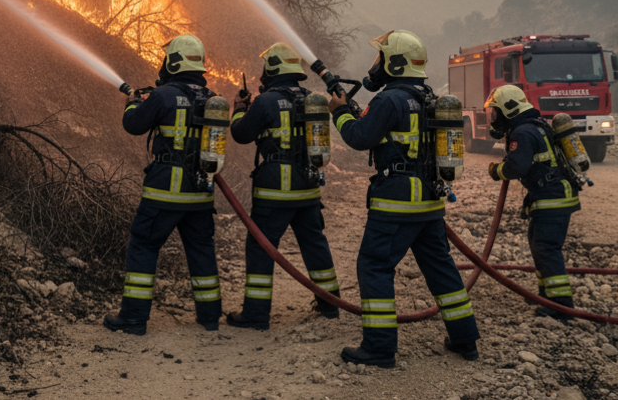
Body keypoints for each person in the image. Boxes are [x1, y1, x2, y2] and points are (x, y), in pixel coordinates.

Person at [328, 30, 480, 368]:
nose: (375, 64)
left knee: (374, 265)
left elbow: (359, 137)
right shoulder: (426, 97)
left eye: (380, 57)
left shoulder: (389, 99)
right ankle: (465, 339)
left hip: (396, 201)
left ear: (394, 63)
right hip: (428, 201)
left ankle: (380, 348)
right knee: (441, 269)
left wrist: (339, 112)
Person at [103, 35, 222, 335]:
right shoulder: (211, 98)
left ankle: (133, 318)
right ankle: (209, 317)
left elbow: (134, 125)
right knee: (201, 250)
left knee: (144, 244)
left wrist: (132, 105)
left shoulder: (163, 95)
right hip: (200, 194)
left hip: (165, 191)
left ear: (174, 61)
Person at [225, 42, 341, 330]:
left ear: (273, 68)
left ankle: (255, 315)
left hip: (275, 190)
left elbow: (241, 134)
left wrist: (239, 110)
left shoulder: (265, 102)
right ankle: (330, 304)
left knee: (261, 247)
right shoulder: (311, 98)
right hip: (308, 188)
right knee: (314, 244)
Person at [484, 85, 579, 322]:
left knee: (546, 248)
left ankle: (560, 306)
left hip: (552, 198)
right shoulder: (531, 126)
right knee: (539, 246)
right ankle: (546, 296)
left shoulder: (524, 132)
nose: (493, 119)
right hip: (548, 197)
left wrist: (496, 170)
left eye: (495, 113)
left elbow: (517, 167)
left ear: (508, 110)